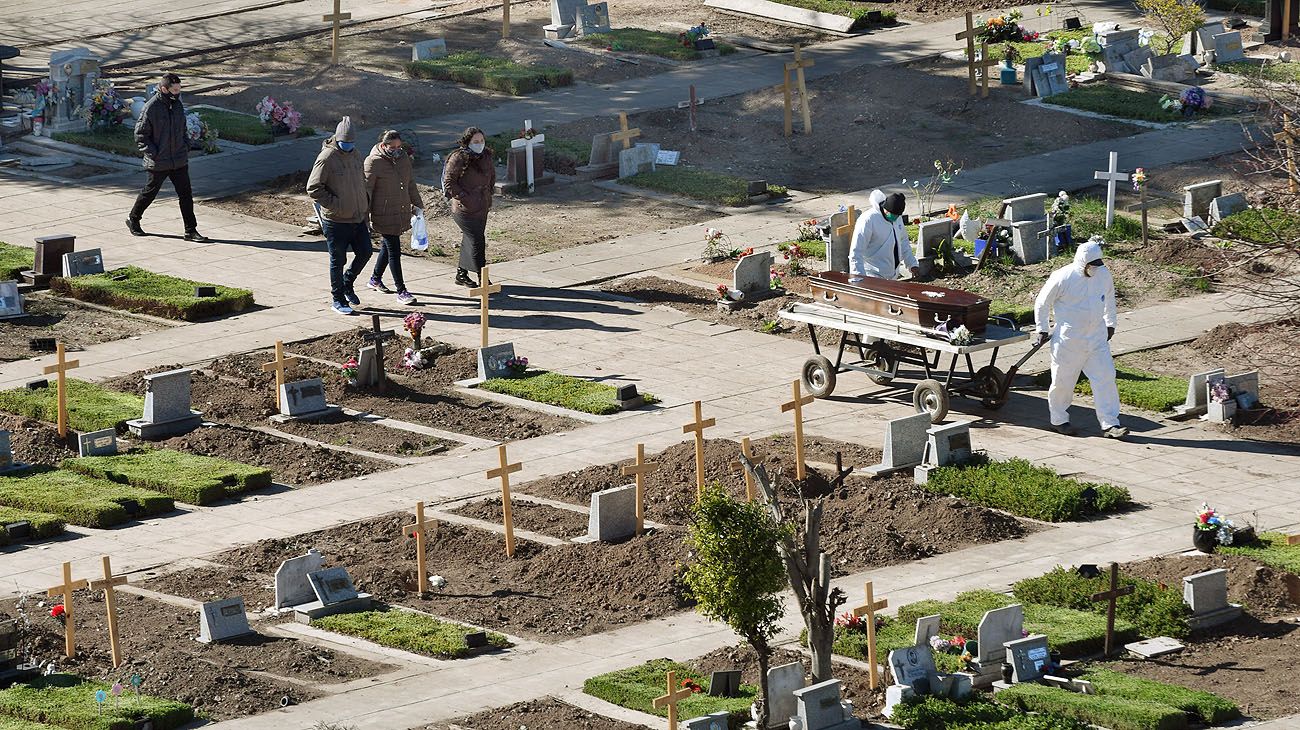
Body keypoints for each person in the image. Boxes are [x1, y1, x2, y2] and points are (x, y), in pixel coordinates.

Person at [1033, 235, 1128, 439]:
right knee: (1063, 382)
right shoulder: (1063, 277)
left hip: (1096, 339)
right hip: (1069, 341)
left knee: (1106, 378)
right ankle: (1059, 420)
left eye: (1098, 264)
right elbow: (1042, 302)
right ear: (1082, 262)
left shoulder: (1103, 274)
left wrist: (1111, 324)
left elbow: (1110, 299)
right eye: (1092, 265)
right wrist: (1041, 328)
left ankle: (1110, 424)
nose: (1095, 268)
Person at [126, 72, 208, 242]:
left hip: (178, 159)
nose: (178, 93)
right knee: (150, 193)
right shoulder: (151, 107)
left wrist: (185, 146)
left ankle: (190, 230)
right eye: (175, 90)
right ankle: (133, 219)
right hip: (159, 161)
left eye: (179, 89)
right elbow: (140, 135)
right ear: (164, 89)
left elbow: (183, 127)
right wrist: (154, 153)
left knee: (186, 195)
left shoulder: (177, 105)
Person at [308, 116, 371, 315]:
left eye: (352, 142)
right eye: (345, 142)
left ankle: (347, 283)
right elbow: (314, 188)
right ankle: (338, 299)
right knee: (338, 260)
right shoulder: (327, 157)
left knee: (366, 252)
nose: (349, 146)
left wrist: (364, 207)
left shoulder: (355, 154)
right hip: (336, 220)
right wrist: (336, 206)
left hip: (358, 216)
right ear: (337, 138)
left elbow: (360, 181)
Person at [364, 130, 424, 306]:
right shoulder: (373, 162)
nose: (397, 150)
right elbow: (366, 190)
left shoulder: (403, 158)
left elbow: (410, 183)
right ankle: (401, 290)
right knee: (394, 251)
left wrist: (418, 204)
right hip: (383, 214)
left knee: (387, 246)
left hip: (401, 210)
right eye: (393, 147)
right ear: (383, 146)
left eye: (399, 146)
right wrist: (364, 216)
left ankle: (375, 279)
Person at [442, 126, 496, 287]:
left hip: (482, 206)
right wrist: (465, 197)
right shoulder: (458, 157)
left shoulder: (485, 155)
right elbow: (449, 182)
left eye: (481, 141)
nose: (479, 144)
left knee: (469, 239)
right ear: (467, 142)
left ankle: (461, 274)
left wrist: (489, 191)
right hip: (464, 209)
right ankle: (483, 278)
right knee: (477, 241)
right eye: (475, 141)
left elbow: (491, 174)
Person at [848, 190, 920, 280]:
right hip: (872, 275)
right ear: (885, 208)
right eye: (893, 215)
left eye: (897, 216)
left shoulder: (897, 218)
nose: (895, 218)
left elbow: (903, 241)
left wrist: (912, 264)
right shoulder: (868, 220)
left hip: (892, 275)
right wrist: (858, 278)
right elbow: (856, 251)